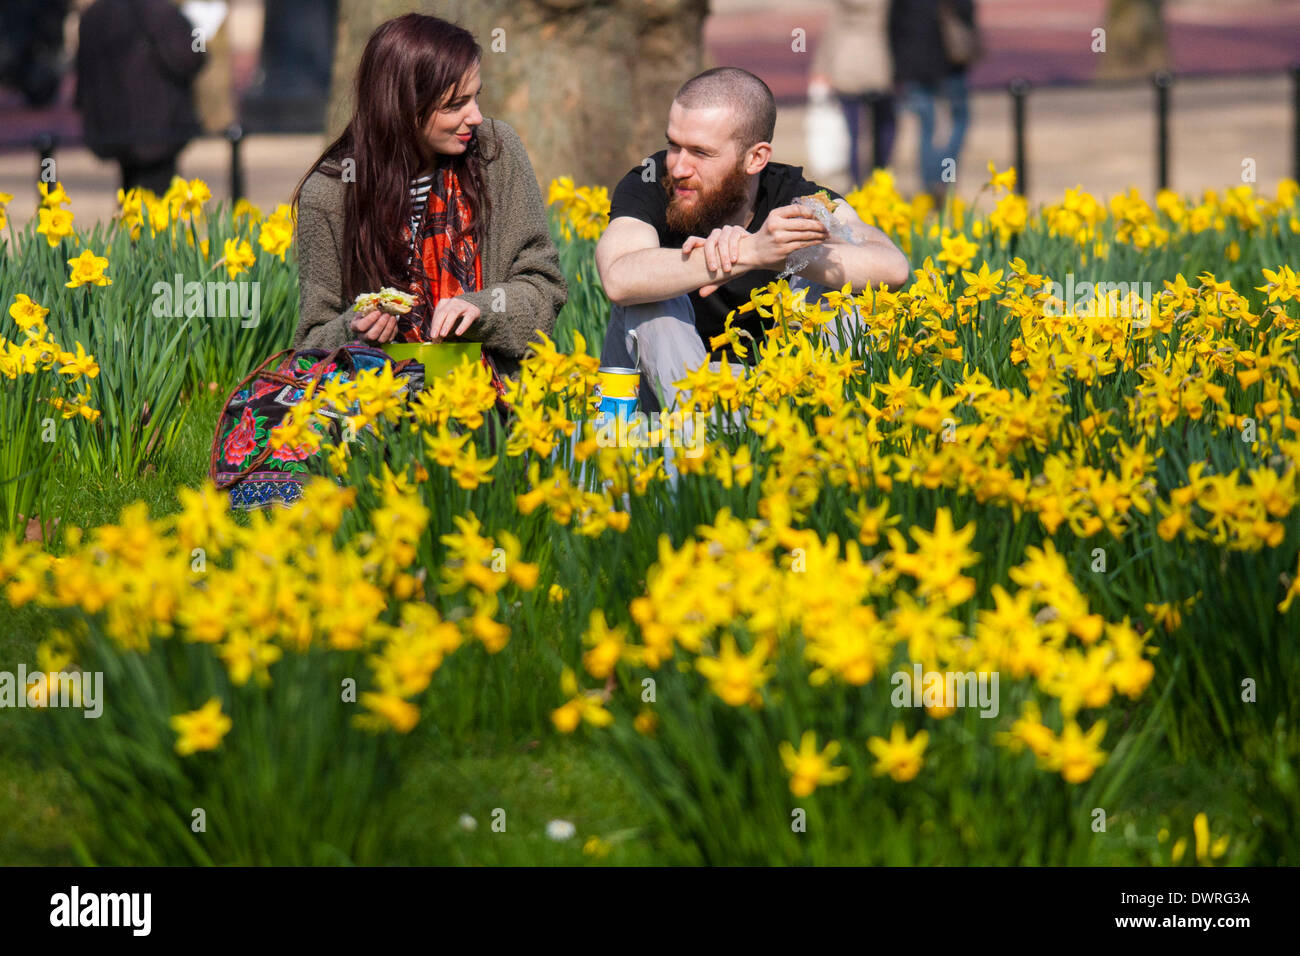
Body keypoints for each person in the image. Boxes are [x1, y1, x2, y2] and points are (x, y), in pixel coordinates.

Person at [596, 67, 910, 413]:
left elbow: (892, 268)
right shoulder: (652, 182)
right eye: (673, 145)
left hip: (768, 394)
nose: (679, 167)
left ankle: (816, 429)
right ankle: (698, 440)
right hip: (658, 407)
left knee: (841, 294)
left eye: (700, 153)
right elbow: (618, 277)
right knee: (649, 299)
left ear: (755, 158)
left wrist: (784, 255)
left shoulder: (795, 197)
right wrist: (750, 250)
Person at [291, 14, 566, 385]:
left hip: (489, 400)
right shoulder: (332, 194)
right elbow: (309, 348)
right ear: (402, 108)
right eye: (455, 105)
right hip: (376, 406)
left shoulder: (495, 155)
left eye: (475, 97)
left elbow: (544, 287)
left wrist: (482, 309)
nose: (477, 117)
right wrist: (355, 329)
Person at [75, 0, 205, 194]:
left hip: (115, 123)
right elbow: (192, 56)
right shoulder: (160, 12)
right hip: (158, 122)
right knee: (159, 203)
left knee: (132, 195)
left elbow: (82, 72)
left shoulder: (93, 14)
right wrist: (198, 29)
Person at [889, 0, 976, 202]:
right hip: (950, 64)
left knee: (927, 128)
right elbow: (967, 13)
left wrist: (899, 69)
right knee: (958, 121)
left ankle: (930, 187)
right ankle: (943, 180)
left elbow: (894, 26)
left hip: (915, 65)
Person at [812, 0, 896, 185]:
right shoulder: (884, 5)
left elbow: (830, 34)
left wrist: (821, 68)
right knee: (883, 127)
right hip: (879, 63)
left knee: (852, 133)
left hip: (845, 65)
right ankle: (880, 177)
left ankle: (855, 183)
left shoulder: (842, 5)